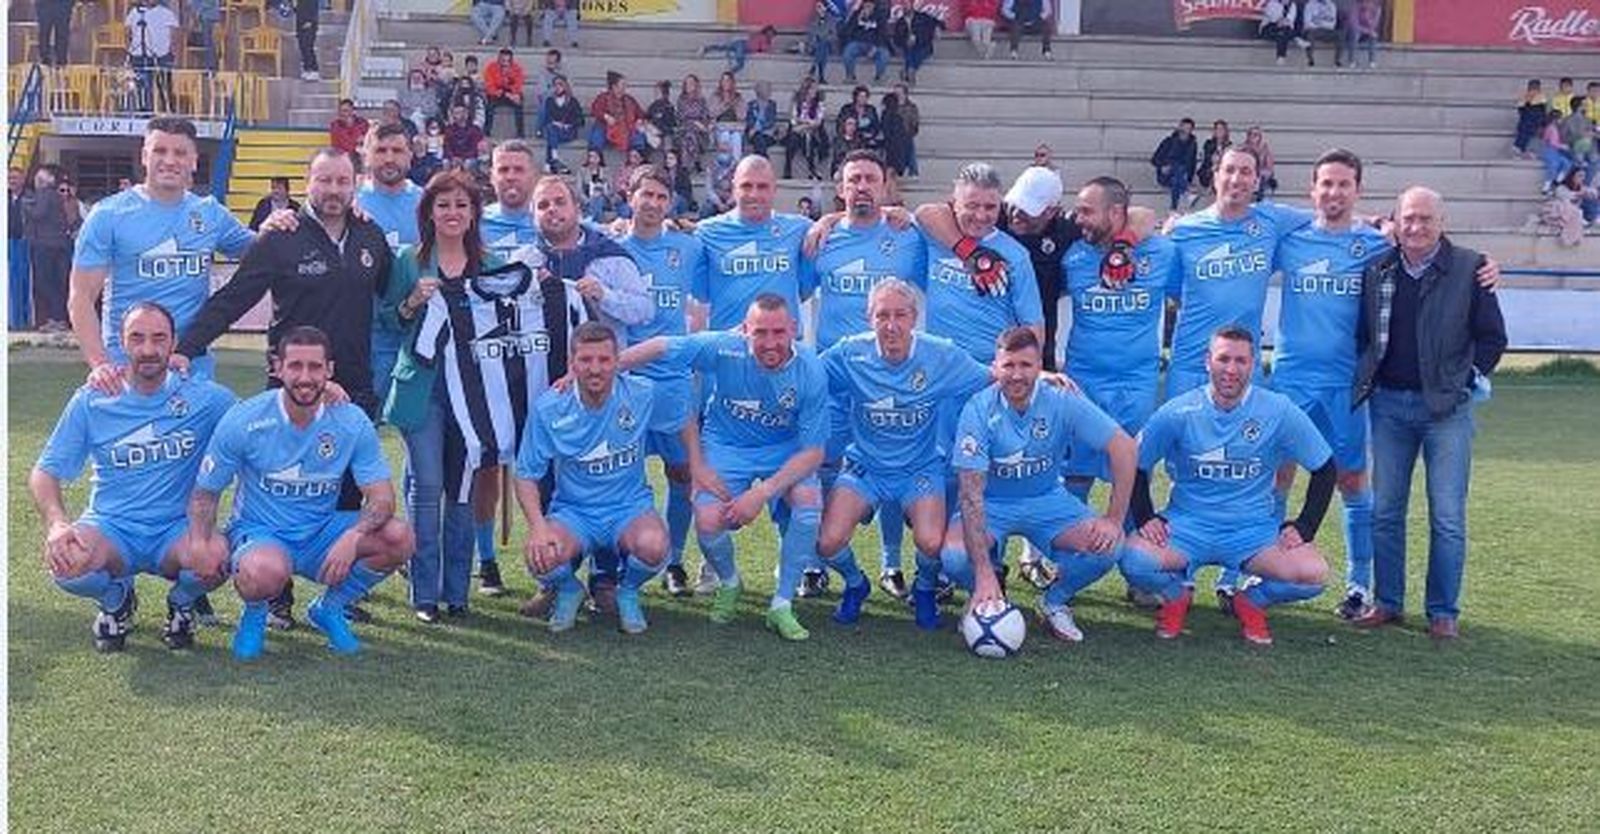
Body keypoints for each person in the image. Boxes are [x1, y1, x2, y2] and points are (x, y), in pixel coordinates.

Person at [192, 327, 414, 660]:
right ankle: (255, 614)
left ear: (330, 370)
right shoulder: (245, 419)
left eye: (315, 367)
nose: (305, 377)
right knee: (265, 569)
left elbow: (382, 498)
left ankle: (329, 608)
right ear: (277, 367)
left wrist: (353, 537)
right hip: (260, 534)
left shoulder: (350, 421)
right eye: (295, 366)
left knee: (399, 537)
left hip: (320, 532)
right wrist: (199, 544)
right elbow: (205, 494)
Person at [619, 295, 828, 639]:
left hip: (784, 449)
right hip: (726, 446)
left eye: (778, 332)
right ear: (745, 331)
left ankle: (782, 604)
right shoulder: (724, 347)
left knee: (807, 505)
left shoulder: (810, 369)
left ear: (793, 329)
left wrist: (761, 493)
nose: (770, 342)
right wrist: (604, 367)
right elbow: (659, 346)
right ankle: (730, 582)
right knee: (708, 518)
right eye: (760, 332)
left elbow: (813, 453)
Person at [30, 302, 236, 652]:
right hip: (112, 527)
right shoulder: (93, 400)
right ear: (122, 343)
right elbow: (44, 472)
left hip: (176, 530)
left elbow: (262, 421)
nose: (148, 349)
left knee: (217, 559)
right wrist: (57, 524)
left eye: (159, 338)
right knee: (67, 562)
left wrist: (323, 392)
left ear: (173, 343)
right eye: (137, 338)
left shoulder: (204, 397)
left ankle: (182, 603)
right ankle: (116, 599)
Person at [1352, 187, 1507, 641]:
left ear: (1442, 222)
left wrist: (1464, 379)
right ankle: (1388, 603)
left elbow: (1493, 338)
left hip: (1447, 411)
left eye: (1426, 219)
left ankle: (1442, 611)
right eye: (1409, 219)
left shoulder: (1471, 268)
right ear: (1395, 223)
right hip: (1389, 407)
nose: (1416, 227)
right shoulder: (1376, 269)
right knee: (1385, 511)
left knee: (1447, 516)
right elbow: (1365, 335)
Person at [1121, 326, 1336, 645]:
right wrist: (1145, 517)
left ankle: (1251, 601)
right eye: (1223, 359)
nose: (1231, 370)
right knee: (1132, 561)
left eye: (1241, 361)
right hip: (1187, 525)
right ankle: (1175, 594)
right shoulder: (1179, 411)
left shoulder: (1278, 411)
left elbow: (1325, 467)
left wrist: (1305, 526)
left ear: (1254, 364)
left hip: (1252, 531)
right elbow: (1135, 463)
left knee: (1313, 576)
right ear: (1208, 361)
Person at [815, 279, 995, 629]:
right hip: (864, 467)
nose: (891, 325)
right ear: (869, 318)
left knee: (931, 543)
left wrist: (1045, 377)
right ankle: (856, 583)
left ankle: (925, 587)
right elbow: (805, 373)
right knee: (827, 542)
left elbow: (991, 377)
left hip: (920, 468)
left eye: (900, 315)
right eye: (882, 315)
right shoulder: (849, 353)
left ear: (915, 318)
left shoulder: (940, 354)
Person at [943, 327, 1136, 640]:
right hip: (992, 504)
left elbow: (1124, 448)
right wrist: (982, 572)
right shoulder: (977, 409)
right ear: (995, 368)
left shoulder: (1061, 400)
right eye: (1009, 366)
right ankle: (987, 594)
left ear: (1040, 367)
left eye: (1026, 365)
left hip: (1047, 500)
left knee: (1109, 546)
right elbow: (970, 495)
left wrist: (1114, 519)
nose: (1017, 375)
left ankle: (1054, 602)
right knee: (953, 555)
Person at [177, 148, 393, 417]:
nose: (334, 189)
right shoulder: (281, 237)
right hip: (293, 385)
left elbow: (393, 294)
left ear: (356, 183)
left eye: (342, 181)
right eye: (324, 180)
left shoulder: (370, 234)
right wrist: (185, 348)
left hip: (354, 387)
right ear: (307, 182)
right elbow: (232, 300)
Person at [1268, 149, 1391, 619]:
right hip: (1291, 377)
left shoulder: (1377, 244)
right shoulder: (1291, 239)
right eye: (1327, 184)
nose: (1334, 192)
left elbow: (1427, 248)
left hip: (1345, 383)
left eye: (1344, 184)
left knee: (1351, 478)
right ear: (1311, 190)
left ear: (1357, 190)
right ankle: (1261, 566)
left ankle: (1360, 584)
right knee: (1277, 473)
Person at [808, 150, 928, 597]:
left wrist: (908, 213)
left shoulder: (909, 238)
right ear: (841, 189)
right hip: (836, 381)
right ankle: (815, 563)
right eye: (853, 179)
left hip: (891, 378)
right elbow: (796, 286)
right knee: (822, 466)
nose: (862, 186)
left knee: (893, 466)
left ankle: (891, 564)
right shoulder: (819, 239)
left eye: (870, 179)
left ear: (885, 186)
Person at [514, 323, 684, 633]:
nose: (595, 369)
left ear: (618, 361)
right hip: (574, 512)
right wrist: (538, 528)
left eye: (604, 360)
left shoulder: (642, 394)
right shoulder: (549, 408)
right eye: (586, 360)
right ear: (571, 363)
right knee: (539, 555)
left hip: (629, 508)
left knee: (655, 546)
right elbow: (526, 474)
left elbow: (681, 411)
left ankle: (627, 591)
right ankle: (569, 589)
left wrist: (697, 466)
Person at [70, 117, 256, 387]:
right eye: (160, 151)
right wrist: (100, 365)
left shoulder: (210, 214)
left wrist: (277, 227)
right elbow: (81, 297)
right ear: (145, 156)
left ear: (194, 161)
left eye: (180, 152)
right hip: (128, 369)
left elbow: (263, 253)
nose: (169, 160)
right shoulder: (108, 215)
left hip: (192, 368)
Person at [611, 166, 708, 594]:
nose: (651, 203)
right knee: (621, 473)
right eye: (644, 194)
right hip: (624, 380)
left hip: (672, 382)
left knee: (681, 473)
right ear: (629, 197)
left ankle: (674, 560)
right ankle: (616, 565)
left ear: (669, 204)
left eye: (660, 196)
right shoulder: (609, 246)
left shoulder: (688, 248)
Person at [1058, 177, 1178, 510]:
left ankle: (1131, 552)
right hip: (1083, 381)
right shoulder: (1072, 253)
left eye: (1086, 211)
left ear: (1115, 212)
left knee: (1134, 470)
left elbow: (1190, 301)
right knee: (1074, 476)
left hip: (1135, 383)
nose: (1077, 218)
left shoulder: (1162, 253)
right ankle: (1069, 558)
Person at [920, 163, 1043, 363]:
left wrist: (1032, 372)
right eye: (972, 205)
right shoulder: (936, 235)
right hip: (939, 366)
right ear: (954, 204)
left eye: (990, 207)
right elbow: (924, 212)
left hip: (988, 370)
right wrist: (968, 251)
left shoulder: (1016, 255)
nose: (981, 215)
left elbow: (1032, 324)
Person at [692, 155, 816, 332]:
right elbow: (700, 295)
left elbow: (805, 290)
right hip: (728, 346)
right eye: (746, 186)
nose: (754, 194)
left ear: (775, 189)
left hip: (782, 347)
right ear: (734, 188)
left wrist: (829, 220)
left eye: (762, 187)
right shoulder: (706, 233)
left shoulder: (800, 229)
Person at [22, 166, 73, 332]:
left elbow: (39, 214)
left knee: (45, 281)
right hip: (59, 244)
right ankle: (59, 317)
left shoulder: (44, 194)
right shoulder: (56, 196)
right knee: (58, 282)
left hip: (46, 244)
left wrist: (25, 206)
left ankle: (56, 318)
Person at [126, 0, 179, 111]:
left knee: (164, 86)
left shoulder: (166, 13)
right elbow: (128, 33)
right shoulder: (135, 12)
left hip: (161, 55)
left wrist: (173, 53)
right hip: (139, 55)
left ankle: (168, 111)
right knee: (142, 87)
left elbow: (175, 36)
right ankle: (144, 112)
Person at [588, 71, 648, 155]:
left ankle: (636, 158)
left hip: (627, 128)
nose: (625, 87)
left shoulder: (629, 99)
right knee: (597, 132)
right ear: (614, 86)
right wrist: (606, 116)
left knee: (638, 135)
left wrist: (639, 120)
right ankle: (595, 158)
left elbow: (640, 112)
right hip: (608, 129)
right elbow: (595, 110)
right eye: (622, 84)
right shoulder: (603, 98)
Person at [1151, 117, 1199, 211]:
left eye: (1188, 129)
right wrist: (1162, 166)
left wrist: (1189, 179)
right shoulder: (1168, 142)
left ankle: (1173, 208)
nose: (1185, 131)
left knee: (1177, 177)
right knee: (1177, 169)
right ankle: (1186, 194)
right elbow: (1154, 159)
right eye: (1184, 128)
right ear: (1179, 128)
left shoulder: (1192, 145)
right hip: (1165, 174)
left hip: (1180, 177)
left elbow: (1192, 164)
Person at [784, 83, 829, 180]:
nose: (814, 92)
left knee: (810, 140)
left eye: (815, 89)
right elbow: (793, 119)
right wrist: (805, 124)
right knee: (793, 140)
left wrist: (804, 125)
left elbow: (818, 121)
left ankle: (812, 169)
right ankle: (788, 168)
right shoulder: (797, 103)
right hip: (798, 130)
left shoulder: (819, 104)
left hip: (814, 131)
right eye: (812, 89)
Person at [540, 75, 584, 172]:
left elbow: (580, 120)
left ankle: (549, 162)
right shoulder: (549, 101)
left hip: (568, 131)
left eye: (560, 84)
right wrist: (555, 123)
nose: (557, 87)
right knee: (551, 129)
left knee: (551, 135)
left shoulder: (572, 101)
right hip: (554, 130)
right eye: (555, 85)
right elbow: (546, 118)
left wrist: (567, 125)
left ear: (565, 86)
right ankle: (554, 158)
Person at [841, 0, 891, 84]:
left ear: (874, 6)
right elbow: (847, 31)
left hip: (874, 44)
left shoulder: (880, 16)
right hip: (858, 42)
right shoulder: (857, 14)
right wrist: (856, 19)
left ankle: (879, 77)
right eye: (866, 5)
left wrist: (875, 47)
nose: (868, 7)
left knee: (884, 54)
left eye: (870, 5)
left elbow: (883, 34)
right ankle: (850, 76)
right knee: (848, 52)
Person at [895, 0, 944, 84]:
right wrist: (906, 41)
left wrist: (937, 28)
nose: (905, 6)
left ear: (912, 5)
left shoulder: (923, 17)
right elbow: (897, 40)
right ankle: (910, 71)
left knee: (918, 52)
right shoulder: (900, 22)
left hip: (924, 46)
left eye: (907, 4)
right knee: (909, 51)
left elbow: (939, 22)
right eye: (903, 4)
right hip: (908, 47)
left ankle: (909, 70)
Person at [484, 48, 527, 138]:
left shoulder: (517, 68)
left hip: (512, 92)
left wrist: (512, 92)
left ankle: (520, 133)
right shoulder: (491, 67)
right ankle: (486, 131)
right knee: (489, 107)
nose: (505, 63)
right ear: (499, 59)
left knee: (519, 104)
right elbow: (489, 85)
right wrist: (503, 93)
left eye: (507, 60)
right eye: (503, 60)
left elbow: (518, 84)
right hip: (496, 93)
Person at [701, 24, 777, 75]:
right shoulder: (763, 38)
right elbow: (763, 49)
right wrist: (770, 46)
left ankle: (707, 48)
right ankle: (729, 74)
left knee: (723, 47)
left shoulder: (760, 36)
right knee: (740, 64)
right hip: (743, 47)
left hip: (740, 43)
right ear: (768, 32)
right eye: (771, 34)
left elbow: (752, 38)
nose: (771, 36)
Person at [8, 167, 31, 330]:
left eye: (15, 178)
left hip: (24, 242)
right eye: (9, 178)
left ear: (22, 180)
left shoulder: (29, 197)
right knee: (10, 282)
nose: (12, 181)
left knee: (24, 281)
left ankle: (24, 320)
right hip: (8, 242)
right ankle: (12, 320)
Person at [676, 74, 713, 164]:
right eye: (687, 83)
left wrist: (704, 125)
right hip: (684, 129)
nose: (689, 85)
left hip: (700, 131)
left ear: (696, 85)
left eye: (692, 83)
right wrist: (695, 122)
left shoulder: (702, 100)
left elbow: (705, 115)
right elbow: (682, 116)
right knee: (689, 136)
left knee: (692, 136)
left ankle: (687, 165)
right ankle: (695, 163)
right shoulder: (681, 99)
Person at [1258, 0, 1308, 67]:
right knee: (1282, 31)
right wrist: (1281, 21)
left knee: (1282, 33)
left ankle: (1280, 57)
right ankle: (1296, 38)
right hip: (1269, 28)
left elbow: (1290, 20)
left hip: (1284, 30)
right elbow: (1273, 18)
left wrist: (1285, 22)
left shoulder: (1292, 5)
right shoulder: (1272, 3)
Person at [837, 86, 883, 151]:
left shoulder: (871, 109)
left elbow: (876, 126)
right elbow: (840, 125)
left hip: (867, 140)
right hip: (850, 141)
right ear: (856, 97)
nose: (863, 99)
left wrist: (871, 135)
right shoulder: (846, 109)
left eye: (865, 97)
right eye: (861, 96)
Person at [745, 81, 781, 159]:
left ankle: (761, 160)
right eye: (767, 89)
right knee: (758, 139)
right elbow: (749, 121)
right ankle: (765, 160)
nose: (769, 92)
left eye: (769, 89)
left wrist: (757, 129)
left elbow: (770, 121)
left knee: (759, 141)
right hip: (754, 135)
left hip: (768, 135)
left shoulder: (772, 105)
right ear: (759, 91)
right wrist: (754, 130)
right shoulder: (751, 105)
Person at [1340, 0, 1381, 68]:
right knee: (1355, 34)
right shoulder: (1355, 8)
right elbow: (1354, 25)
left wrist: (1368, 17)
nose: (1368, 4)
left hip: (1366, 31)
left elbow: (1374, 25)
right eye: (1366, 2)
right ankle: (1352, 61)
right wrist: (1367, 31)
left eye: (1370, 2)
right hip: (1353, 32)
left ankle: (1372, 61)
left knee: (1374, 36)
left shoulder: (1376, 10)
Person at [806, 1, 841, 82]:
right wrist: (814, 40)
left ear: (825, 8)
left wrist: (825, 38)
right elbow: (811, 34)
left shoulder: (831, 19)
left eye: (820, 7)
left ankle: (814, 66)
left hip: (828, 44)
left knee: (823, 44)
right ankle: (821, 75)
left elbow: (834, 35)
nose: (818, 9)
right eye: (817, 7)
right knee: (821, 47)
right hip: (815, 45)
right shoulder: (813, 19)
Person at [1243, 126, 1278, 200]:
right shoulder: (1243, 150)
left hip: (1260, 179)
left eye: (1257, 135)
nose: (1254, 137)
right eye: (1252, 134)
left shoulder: (1265, 150)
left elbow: (1270, 168)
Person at [1197, 120, 1231, 196]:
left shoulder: (1229, 145)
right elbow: (1207, 159)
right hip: (1208, 170)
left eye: (1221, 129)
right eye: (1217, 129)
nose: (1219, 132)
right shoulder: (1208, 144)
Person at [643, 80, 678, 152]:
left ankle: (668, 158)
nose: (656, 94)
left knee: (668, 142)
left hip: (665, 133)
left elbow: (672, 124)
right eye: (656, 92)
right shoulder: (653, 105)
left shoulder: (669, 107)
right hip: (653, 132)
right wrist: (648, 124)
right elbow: (647, 117)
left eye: (658, 92)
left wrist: (660, 130)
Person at [1301, 0, 1339, 67]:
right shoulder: (1310, 5)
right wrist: (1319, 25)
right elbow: (1307, 22)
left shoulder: (1331, 5)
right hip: (1313, 30)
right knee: (1309, 34)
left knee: (1340, 35)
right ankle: (1310, 60)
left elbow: (1332, 24)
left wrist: (1319, 23)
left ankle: (1337, 61)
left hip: (1327, 30)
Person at [36, 0, 73, 67]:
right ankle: (44, 60)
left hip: (63, 4)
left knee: (62, 32)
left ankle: (61, 60)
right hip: (44, 4)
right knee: (44, 32)